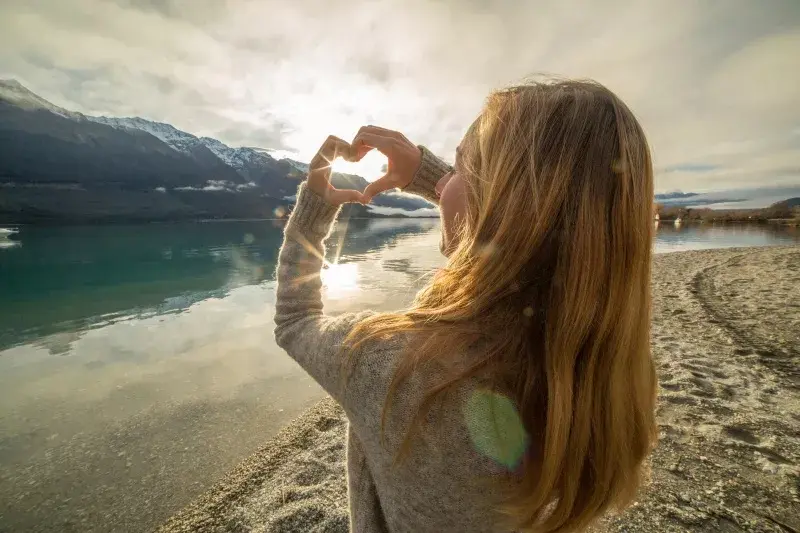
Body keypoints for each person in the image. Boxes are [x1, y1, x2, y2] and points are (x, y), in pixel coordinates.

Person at [274, 79, 658, 533]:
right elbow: (528, 235)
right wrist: (437, 176)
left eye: (457, 168)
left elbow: (294, 321)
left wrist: (313, 210)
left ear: (495, 204)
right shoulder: (607, 366)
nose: (442, 182)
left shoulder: (393, 366)